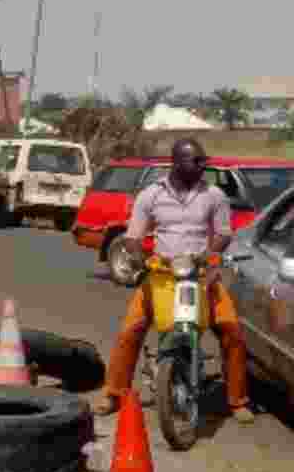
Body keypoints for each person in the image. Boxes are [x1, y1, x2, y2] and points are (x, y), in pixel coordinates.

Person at [92, 137, 255, 424]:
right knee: (130, 332)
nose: (204, 166)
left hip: (201, 274)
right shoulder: (151, 195)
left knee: (231, 331)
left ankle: (237, 400)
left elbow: (224, 233)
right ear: (178, 163)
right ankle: (113, 393)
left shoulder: (213, 195)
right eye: (197, 161)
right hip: (161, 274)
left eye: (204, 161)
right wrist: (138, 260)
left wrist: (212, 256)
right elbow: (133, 238)